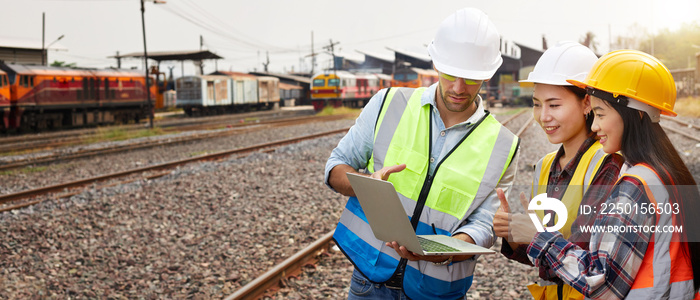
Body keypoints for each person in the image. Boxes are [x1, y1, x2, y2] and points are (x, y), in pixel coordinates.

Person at [325, 7, 520, 300]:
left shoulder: (504, 145)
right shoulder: (388, 103)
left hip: (437, 289)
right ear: (437, 64)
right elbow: (336, 167)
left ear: (487, 75)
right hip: (369, 279)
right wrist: (368, 186)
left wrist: (446, 252)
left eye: (470, 78)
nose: (458, 88)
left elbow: (483, 224)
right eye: (451, 74)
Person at [504, 49, 700, 299]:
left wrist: (538, 237)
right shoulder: (666, 173)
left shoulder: (636, 185)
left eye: (600, 114)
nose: (594, 126)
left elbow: (601, 283)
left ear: (634, 114)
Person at [492, 41, 625, 300]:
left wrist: (535, 235)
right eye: (537, 104)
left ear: (587, 103)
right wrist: (512, 232)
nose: (543, 116)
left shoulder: (608, 164)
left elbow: (587, 260)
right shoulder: (545, 166)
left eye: (554, 105)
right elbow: (541, 256)